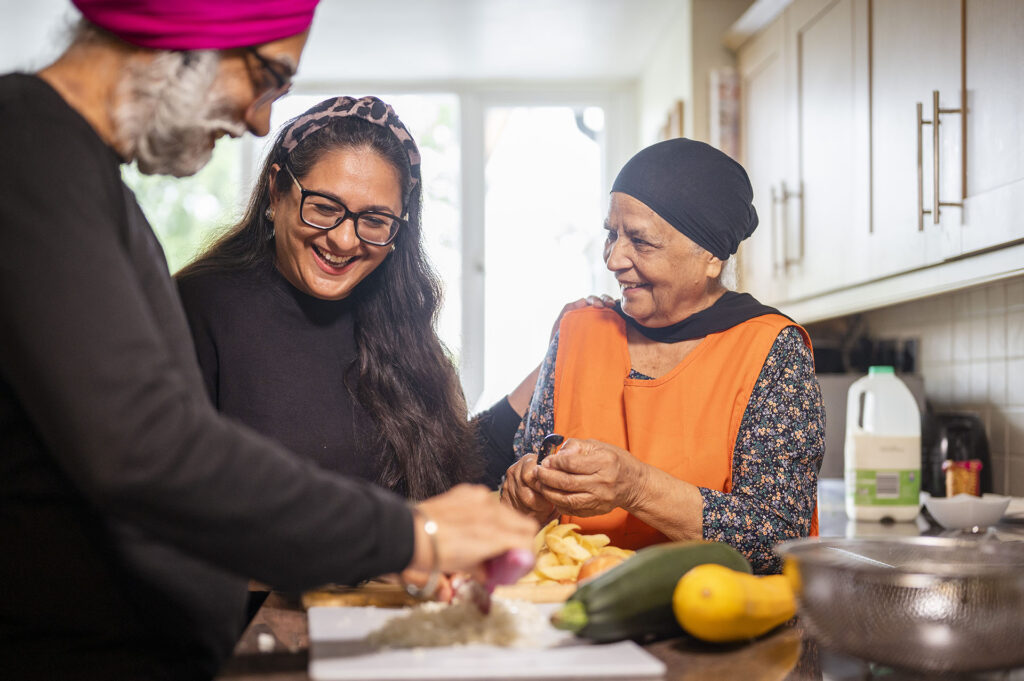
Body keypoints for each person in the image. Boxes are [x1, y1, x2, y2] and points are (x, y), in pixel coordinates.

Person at [0, 3, 535, 679]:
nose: (257, 118)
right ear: (189, 27)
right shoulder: (27, 143)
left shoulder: (74, 166)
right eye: (267, 76)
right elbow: (145, 445)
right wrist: (410, 534)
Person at [501, 139, 825, 574]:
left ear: (710, 257)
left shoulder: (772, 350)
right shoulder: (577, 331)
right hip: (575, 618)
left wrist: (634, 486)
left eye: (640, 241)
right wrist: (523, 495)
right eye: (611, 234)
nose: (614, 258)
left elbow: (779, 538)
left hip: (721, 625)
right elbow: (522, 501)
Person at [176, 95, 527, 496]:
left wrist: (559, 350)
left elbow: (452, 478)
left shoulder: (401, 327)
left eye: (375, 220)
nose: (344, 240)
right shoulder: (198, 306)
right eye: (325, 208)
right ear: (277, 191)